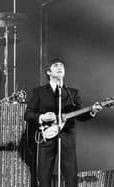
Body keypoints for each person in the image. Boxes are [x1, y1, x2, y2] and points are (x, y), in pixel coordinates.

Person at [24, 58, 102, 187]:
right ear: (48, 72)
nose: (60, 67)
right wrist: (42, 117)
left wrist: (92, 111)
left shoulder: (72, 93)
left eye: (62, 66)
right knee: (43, 176)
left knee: (71, 175)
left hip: (67, 136)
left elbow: (80, 114)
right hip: (46, 137)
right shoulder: (39, 92)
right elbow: (28, 114)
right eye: (56, 65)